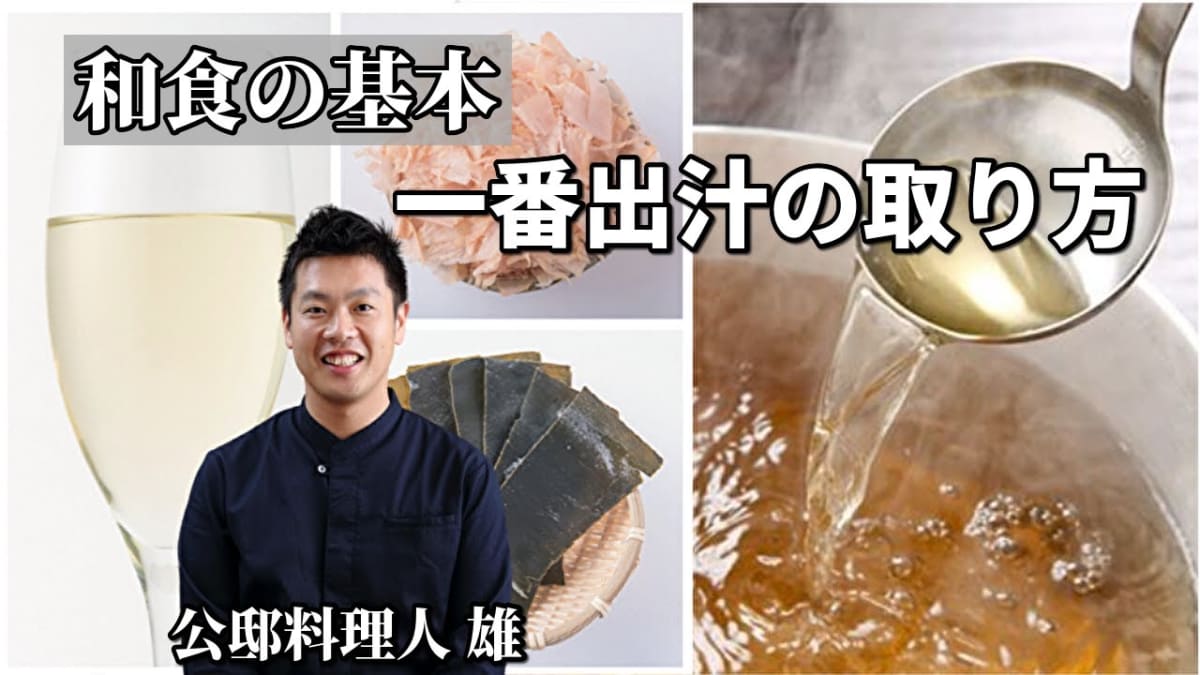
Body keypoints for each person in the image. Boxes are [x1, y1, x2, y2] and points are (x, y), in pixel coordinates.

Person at [178, 205, 511, 673]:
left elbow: (482, 649)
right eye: (316, 309)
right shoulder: (227, 476)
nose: (340, 330)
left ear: (399, 321)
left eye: (363, 307)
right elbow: (206, 650)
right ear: (288, 326)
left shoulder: (462, 476)